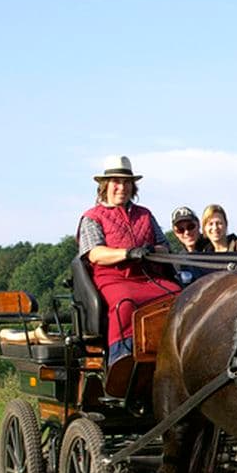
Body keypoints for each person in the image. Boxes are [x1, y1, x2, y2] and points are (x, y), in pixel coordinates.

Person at [76, 155, 181, 363]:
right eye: (116, 182)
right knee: (125, 304)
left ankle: (175, 357)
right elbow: (95, 253)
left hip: (150, 278)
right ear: (105, 186)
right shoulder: (92, 217)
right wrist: (127, 253)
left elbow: (165, 247)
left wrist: (150, 250)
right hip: (114, 279)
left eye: (126, 183)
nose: (121, 187)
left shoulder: (144, 215)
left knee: (179, 297)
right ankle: (121, 359)